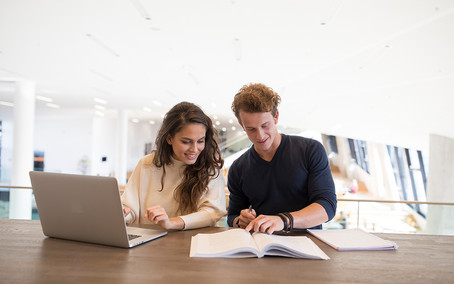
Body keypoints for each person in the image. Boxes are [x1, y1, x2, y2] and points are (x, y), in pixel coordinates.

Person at [227, 83, 337, 234]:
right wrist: (241, 220)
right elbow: (232, 216)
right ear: (242, 125)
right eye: (251, 129)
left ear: (276, 117)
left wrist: (283, 220)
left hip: (307, 245)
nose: (260, 136)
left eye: (265, 125)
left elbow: (327, 207)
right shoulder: (238, 168)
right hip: (263, 245)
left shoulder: (310, 150)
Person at [122, 102, 227, 230]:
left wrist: (172, 223)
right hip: (149, 243)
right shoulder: (146, 164)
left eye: (200, 141)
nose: (194, 149)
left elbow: (212, 212)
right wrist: (123, 214)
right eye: (186, 142)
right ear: (169, 138)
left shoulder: (210, 167)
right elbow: (130, 211)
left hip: (193, 242)